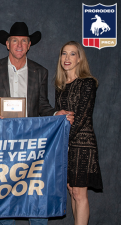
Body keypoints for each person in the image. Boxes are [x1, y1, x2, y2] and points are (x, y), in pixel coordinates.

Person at [0, 22, 74, 225]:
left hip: (31, 142)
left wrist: (57, 113)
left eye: (23, 41)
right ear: (7, 44)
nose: (19, 45)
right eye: (15, 41)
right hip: (2, 140)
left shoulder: (40, 71)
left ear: (29, 44)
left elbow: (42, 105)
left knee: (35, 190)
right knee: (4, 191)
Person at [54, 41, 103, 225]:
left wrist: (63, 141)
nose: (67, 58)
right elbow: (59, 118)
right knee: (72, 191)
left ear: (79, 58)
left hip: (82, 143)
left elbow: (82, 116)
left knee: (80, 193)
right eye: (64, 53)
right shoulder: (60, 85)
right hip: (66, 144)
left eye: (72, 54)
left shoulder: (88, 83)